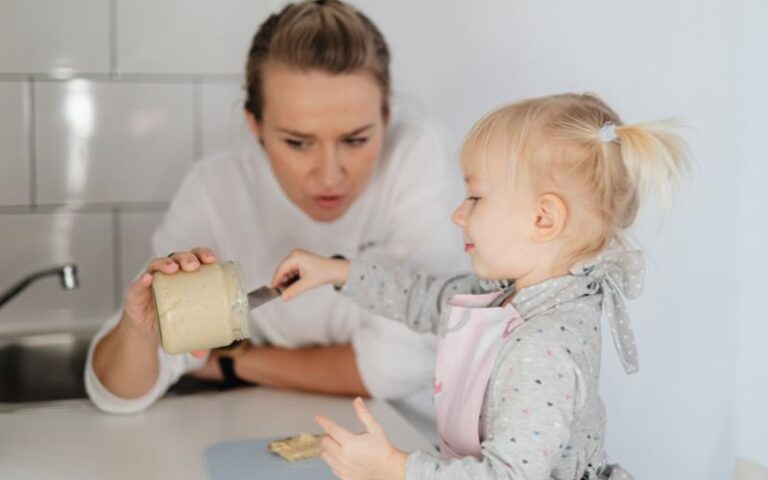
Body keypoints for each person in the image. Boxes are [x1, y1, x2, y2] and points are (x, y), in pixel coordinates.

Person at [85, 0, 464, 430]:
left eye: (356, 140)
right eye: (298, 143)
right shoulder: (216, 190)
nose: (329, 176)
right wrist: (139, 332)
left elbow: (397, 367)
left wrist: (232, 362)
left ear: (386, 117)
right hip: (262, 433)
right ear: (255, 125)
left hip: (410, 438)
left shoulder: (414, 157)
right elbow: (117, 396)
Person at [270, 93, 690, 479]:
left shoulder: (542, 348)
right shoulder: (514, 294)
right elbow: (425, 297)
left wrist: (394, 469)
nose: (458, 214)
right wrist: (336, 272)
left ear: (543, 219)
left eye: (475, 197)